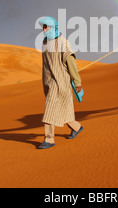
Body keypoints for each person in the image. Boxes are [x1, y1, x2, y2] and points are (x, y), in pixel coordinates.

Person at [37, 16, 83, 149]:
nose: (44, 29)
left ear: (53, 27)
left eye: (46, 26)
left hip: (60, 81)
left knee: (49, 109)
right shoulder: (45, 43)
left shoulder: (63, 42)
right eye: (43, 27)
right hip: (49, 81)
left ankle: (49, 139)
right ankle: (77, 127)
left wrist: (77, 81)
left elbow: (71, 62)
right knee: (62, 109)